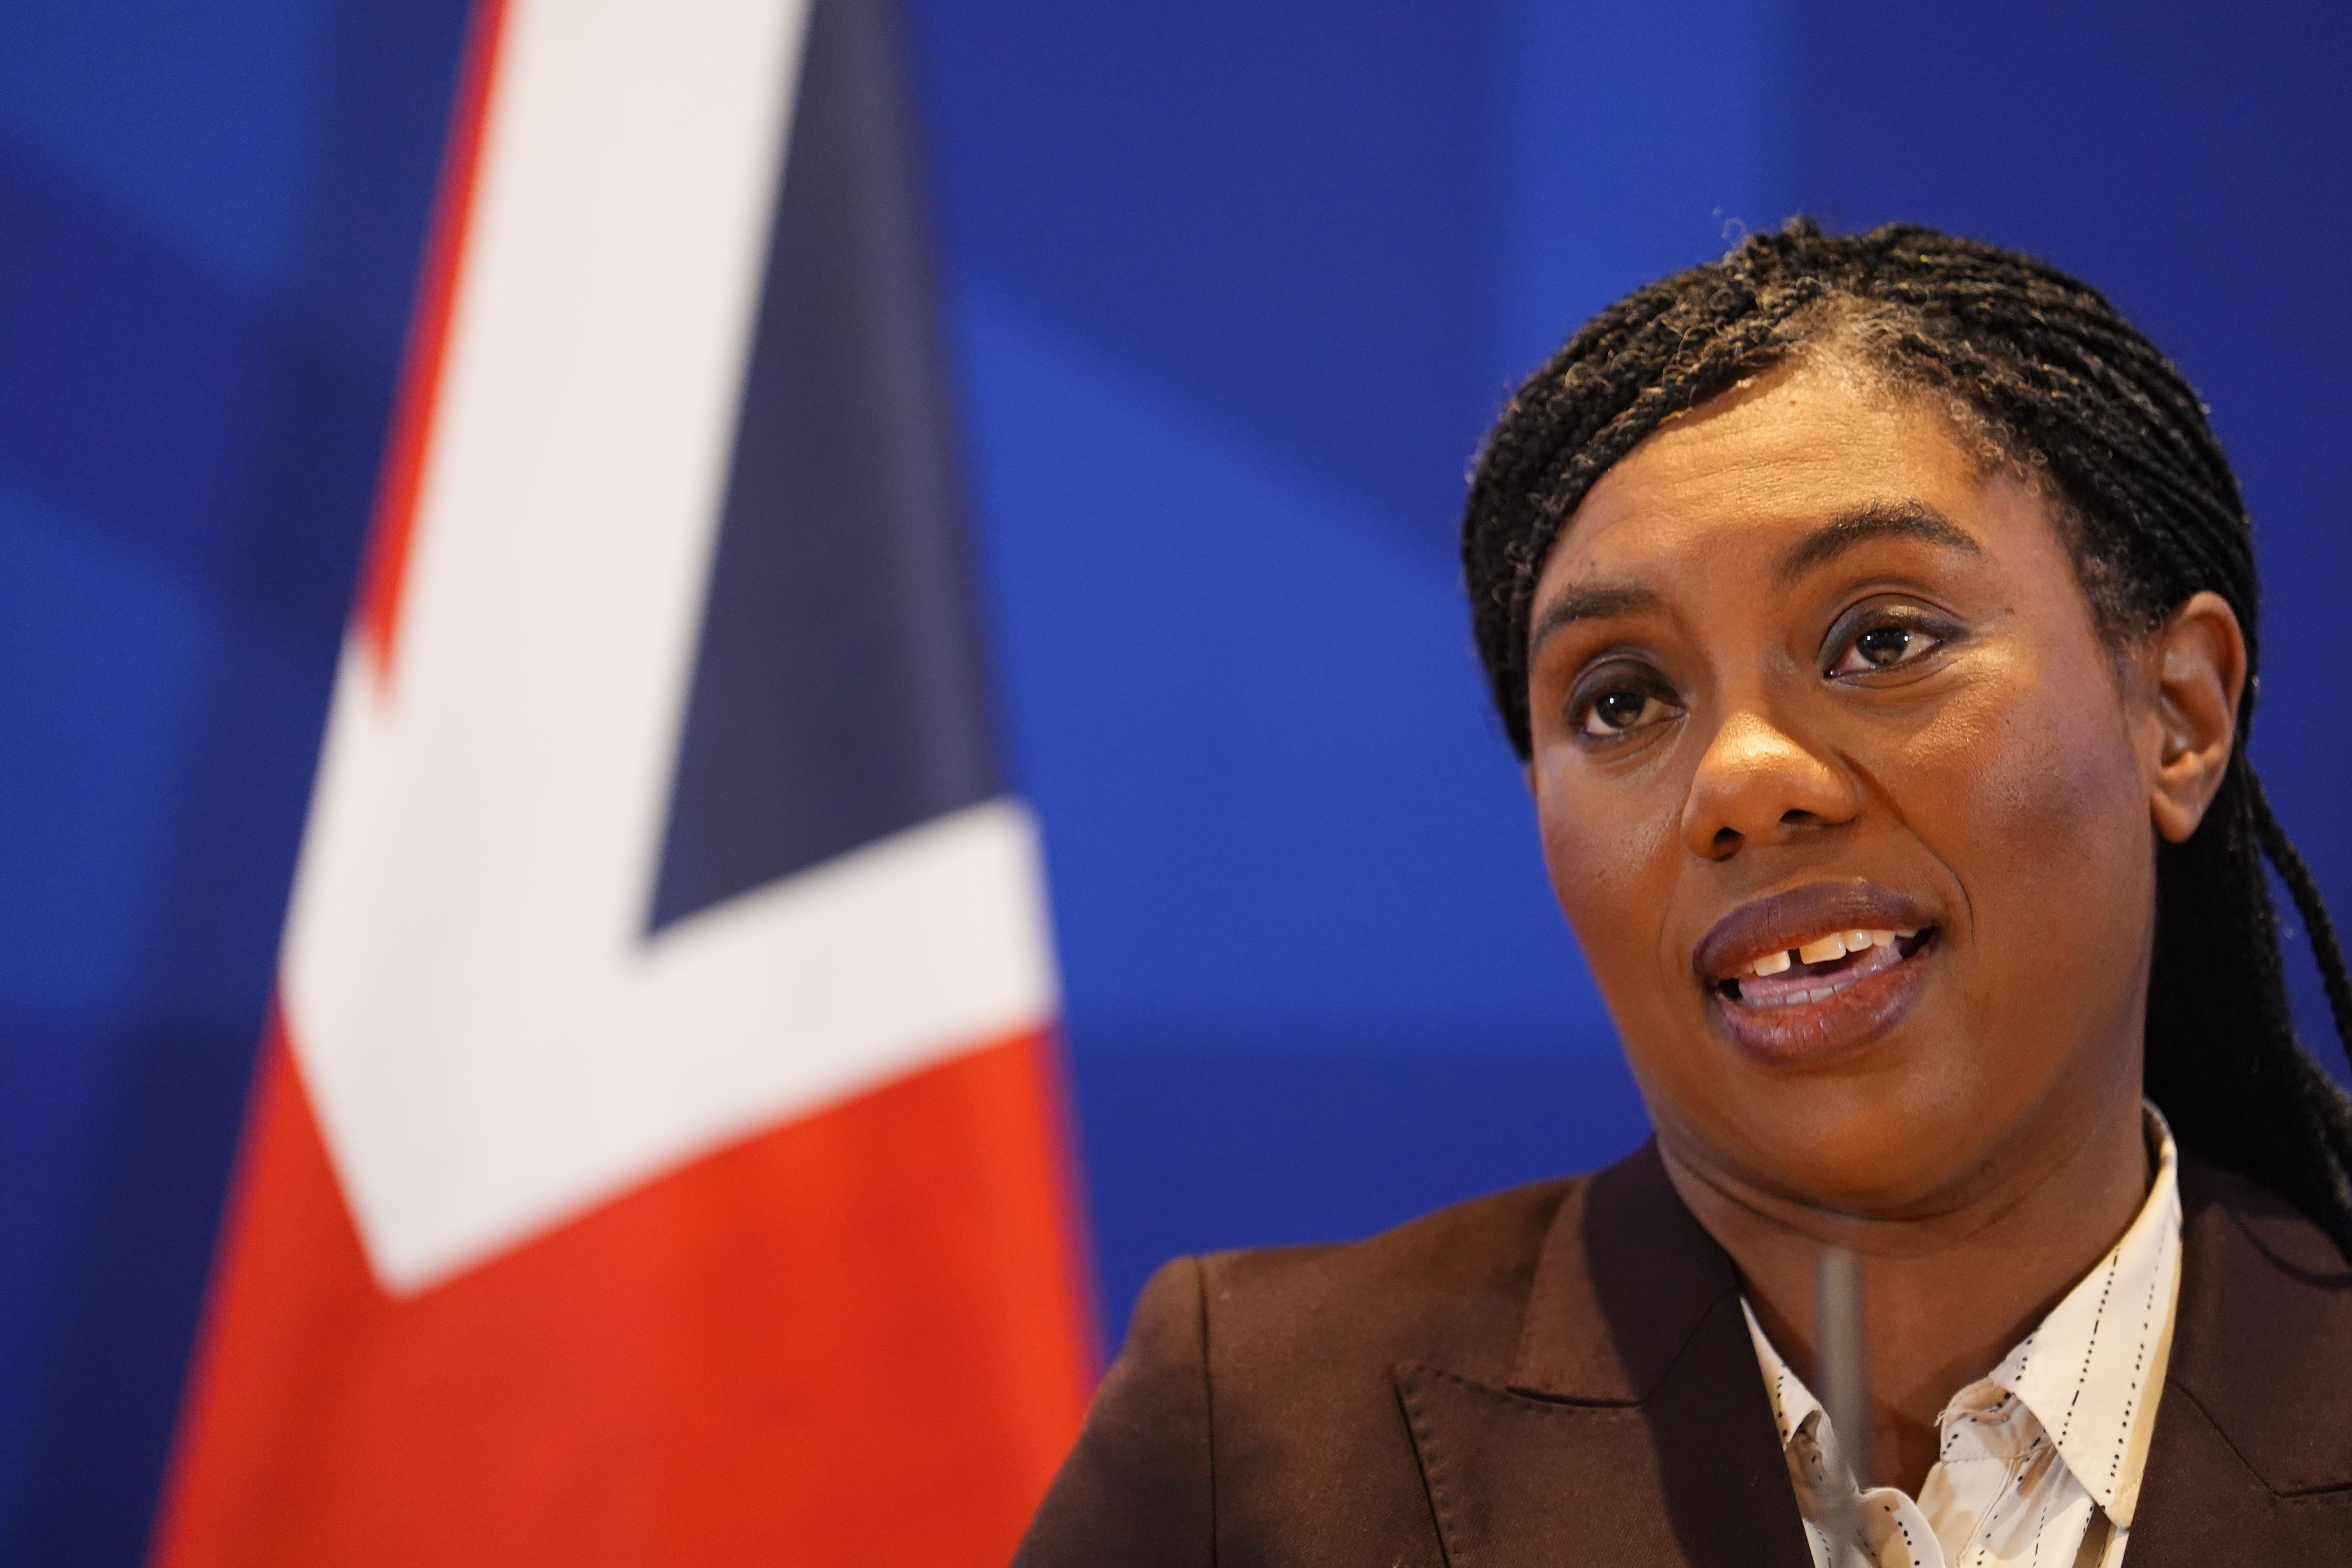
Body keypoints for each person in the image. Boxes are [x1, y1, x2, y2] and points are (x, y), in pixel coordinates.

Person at [1009, 221, 2352, 1567]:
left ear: (2178, 716)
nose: (1744, 777)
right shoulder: (1253, 1447)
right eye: (1623, 699)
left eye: (1882, 640)